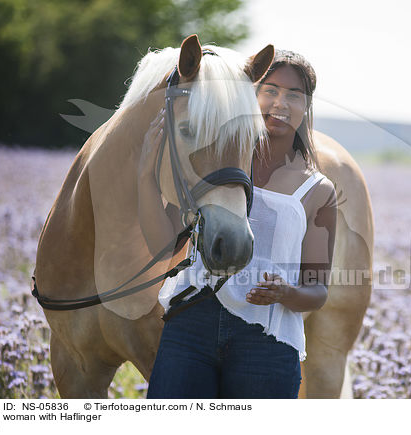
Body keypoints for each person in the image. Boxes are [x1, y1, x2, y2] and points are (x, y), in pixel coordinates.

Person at [142, 50, 337, 399]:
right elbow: (163, 244)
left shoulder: (318, 190)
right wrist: (146, 176)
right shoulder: (214, 156)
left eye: (294, 94)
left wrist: (287, 293)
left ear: (307, 107)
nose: (280, 101)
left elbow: (318, 289)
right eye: (271, 89)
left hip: (267, 343)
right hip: (190, 327)